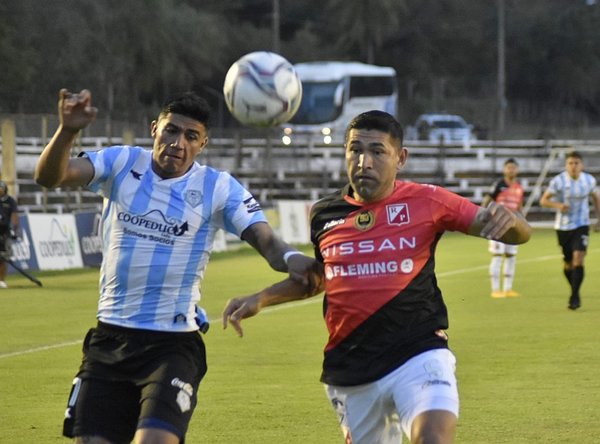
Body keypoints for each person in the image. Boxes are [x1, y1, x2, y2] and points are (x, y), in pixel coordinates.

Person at [222, 111, 531, 444]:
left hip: (418, 353)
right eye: (355, 150)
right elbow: (323, 277)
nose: (363, 161)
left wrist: (511, 222)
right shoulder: (325, 214)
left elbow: (516, 233)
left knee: (433, 438)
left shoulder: (429, 200)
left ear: (401, 158)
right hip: (351, 365)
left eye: (377, 151)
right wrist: (261, 299)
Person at [34, 89, 316, 444]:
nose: (178, 143)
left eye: (191, 136)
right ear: (155, 129)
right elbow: (49, 177)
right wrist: (67, 130)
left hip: (173, 345)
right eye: (171, 130)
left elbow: (267, 241)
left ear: (203, 143)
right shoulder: (121, 163)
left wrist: (292, 259)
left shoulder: (217, 187)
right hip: (110, 338)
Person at [540, 150, 600, 310]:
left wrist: (599, 218)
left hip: (581, 225)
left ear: (582, 165)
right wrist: (558, 205)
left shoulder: (589, 180)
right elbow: (544, 200)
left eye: (576, 163)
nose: (573, 166)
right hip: (563, 227)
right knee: (568, 263)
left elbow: (596, 198)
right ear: (566, 165)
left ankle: (574, 296)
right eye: (570, 163)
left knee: (578, 258)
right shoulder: (558, 181)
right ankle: (574, 291)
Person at [481, 158, 525, 298]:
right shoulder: (499, 185)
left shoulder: (519, 187)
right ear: (504, 170)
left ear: (517, 170)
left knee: (511, 256)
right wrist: (483, 214)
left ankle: (508, 288)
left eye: (513, 168)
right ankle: (495, 289)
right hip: (498, 224)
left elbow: (519, 206)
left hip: (513, 226)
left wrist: (522, 221)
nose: (511, 170)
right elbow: (487, 200)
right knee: (498, 255)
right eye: (508, 167)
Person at [0, 180, 20, 288]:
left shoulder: (10, 201)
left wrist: (14, 230)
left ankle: (1, 280)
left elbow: (15, 217)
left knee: (4, 257)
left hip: (5, 231)